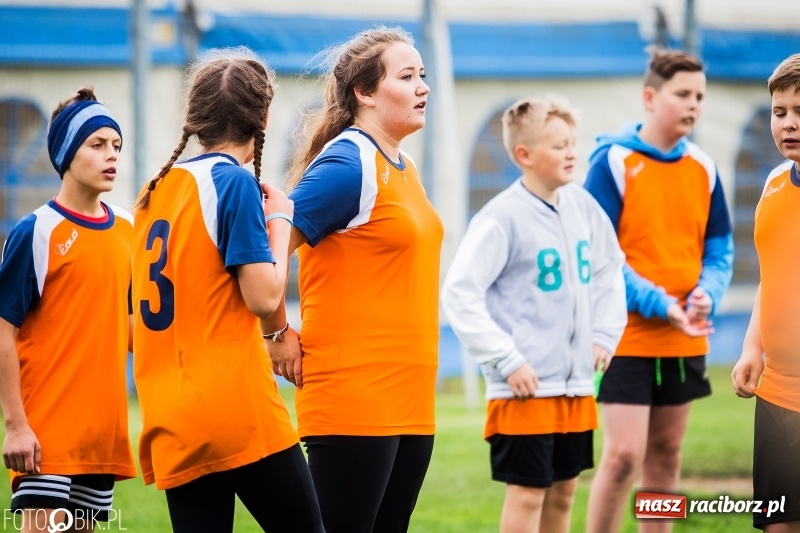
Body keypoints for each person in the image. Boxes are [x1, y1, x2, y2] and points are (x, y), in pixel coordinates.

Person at [130, 48, 323, 533]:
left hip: (171, 414)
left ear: (195, 117)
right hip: (233, 407)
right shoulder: (231, 182)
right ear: (264, 117)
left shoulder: (155, 190)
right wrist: (281, 220)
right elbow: (263, 297)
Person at [260, 26, 442, 532]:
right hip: (356, 395)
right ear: (364, 92)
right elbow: (264, 245)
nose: (423, 87)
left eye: (422, 75)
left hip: (410, 396)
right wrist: (275, 332)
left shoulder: (402, 164)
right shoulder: (350, 161)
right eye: (406, 77)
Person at [440, 96, 627, 533]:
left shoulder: (583, 206)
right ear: (524, 155)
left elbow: (609, 270)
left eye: (573, 143)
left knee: (564, 493)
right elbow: (460, 293)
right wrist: (507, 359)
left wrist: (604, 334)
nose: (572, 153)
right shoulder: (500, 218)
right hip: (524, 389)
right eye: (559, 146)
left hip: (576, 386)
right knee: (527, 495)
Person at [584, 48, 733, 533]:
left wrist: (708, 291)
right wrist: (659, 303)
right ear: (650, 98)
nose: (693, 105)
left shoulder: (704, 167)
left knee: (667, 454)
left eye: (700, 97)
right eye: (682, 94)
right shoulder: (611, 161)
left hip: (684, 337)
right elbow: (599, 255)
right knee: (623, 457)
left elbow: (720, 247)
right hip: (625, 337)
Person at [0, 86, 136, 530]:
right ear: (65, 153)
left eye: (116, 145)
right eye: (96, 144)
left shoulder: (128, 230)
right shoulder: (37, 231)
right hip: (45, 435)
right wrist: (16, 426)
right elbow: (3, 333)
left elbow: (129, 328)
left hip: (101, 437)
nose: (111, 155)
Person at [732, 53, 800, 532]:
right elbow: (771, 275)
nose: (789, 123)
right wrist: (752, 346)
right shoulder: (775, 182)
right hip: (776, 394)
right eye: (780, 112)